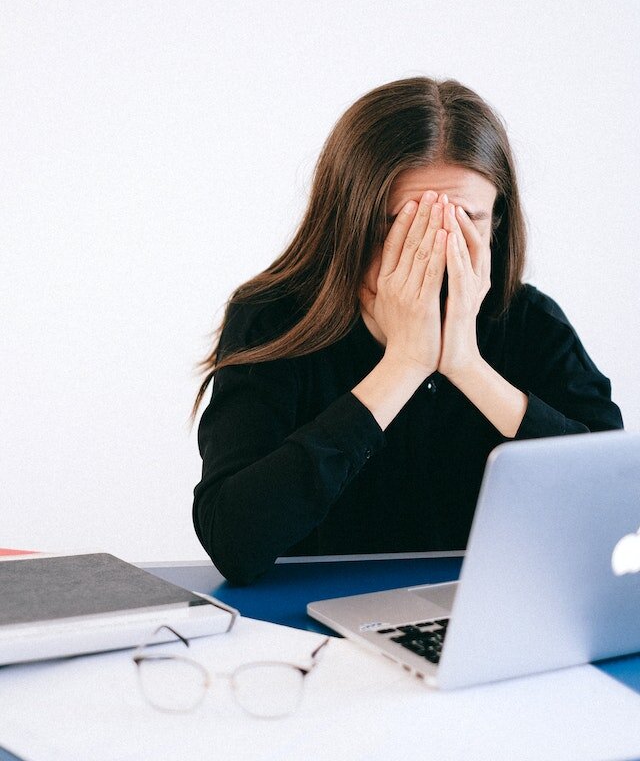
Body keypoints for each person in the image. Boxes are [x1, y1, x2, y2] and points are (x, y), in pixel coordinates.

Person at [190, 76, 623, 586]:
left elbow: (613, 509)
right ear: (348, 220)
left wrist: (466, 366)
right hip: (310, 626)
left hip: (479, 611)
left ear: (497, 224)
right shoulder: (272, 318)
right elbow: (234, 541)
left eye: (466, 224)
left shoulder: (530, 322)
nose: (435, 251)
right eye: (404, 224)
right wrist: (403, 364)